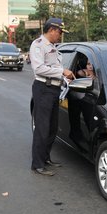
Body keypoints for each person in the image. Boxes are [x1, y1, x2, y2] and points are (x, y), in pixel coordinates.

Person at [29, 18, 74, 176]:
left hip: (54, 88)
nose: (60, 36)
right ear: (52, 30)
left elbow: (54, 67)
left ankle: (46, 157)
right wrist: (62, 72)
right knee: (42, 128)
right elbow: (39, 68)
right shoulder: (38, 45)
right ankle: (37, 164)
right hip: (43, 88)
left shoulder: (54, 47)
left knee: (53, 127)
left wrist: (64, 78)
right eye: (60, 32)